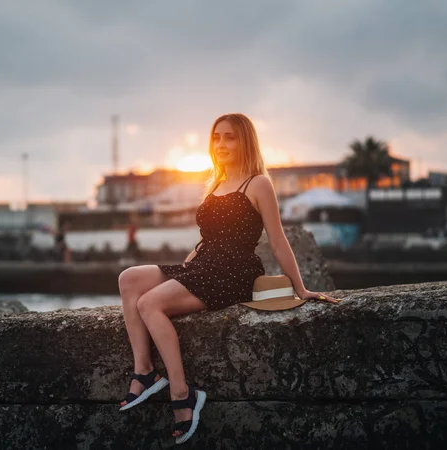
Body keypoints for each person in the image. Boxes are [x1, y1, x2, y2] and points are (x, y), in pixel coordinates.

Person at [117, 113, 340, 444]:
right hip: (204, 264)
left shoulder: (258, 183)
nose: (221, 144)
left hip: (234, 272)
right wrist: (181, 271)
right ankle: (145, 372)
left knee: (150, 304)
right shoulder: (215, 183)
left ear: (245, 141)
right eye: (217, 137)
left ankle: (182, 394)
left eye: (230, 137)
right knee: (129, 279)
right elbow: (206, 240)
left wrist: (300, 286)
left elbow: (277, 240)